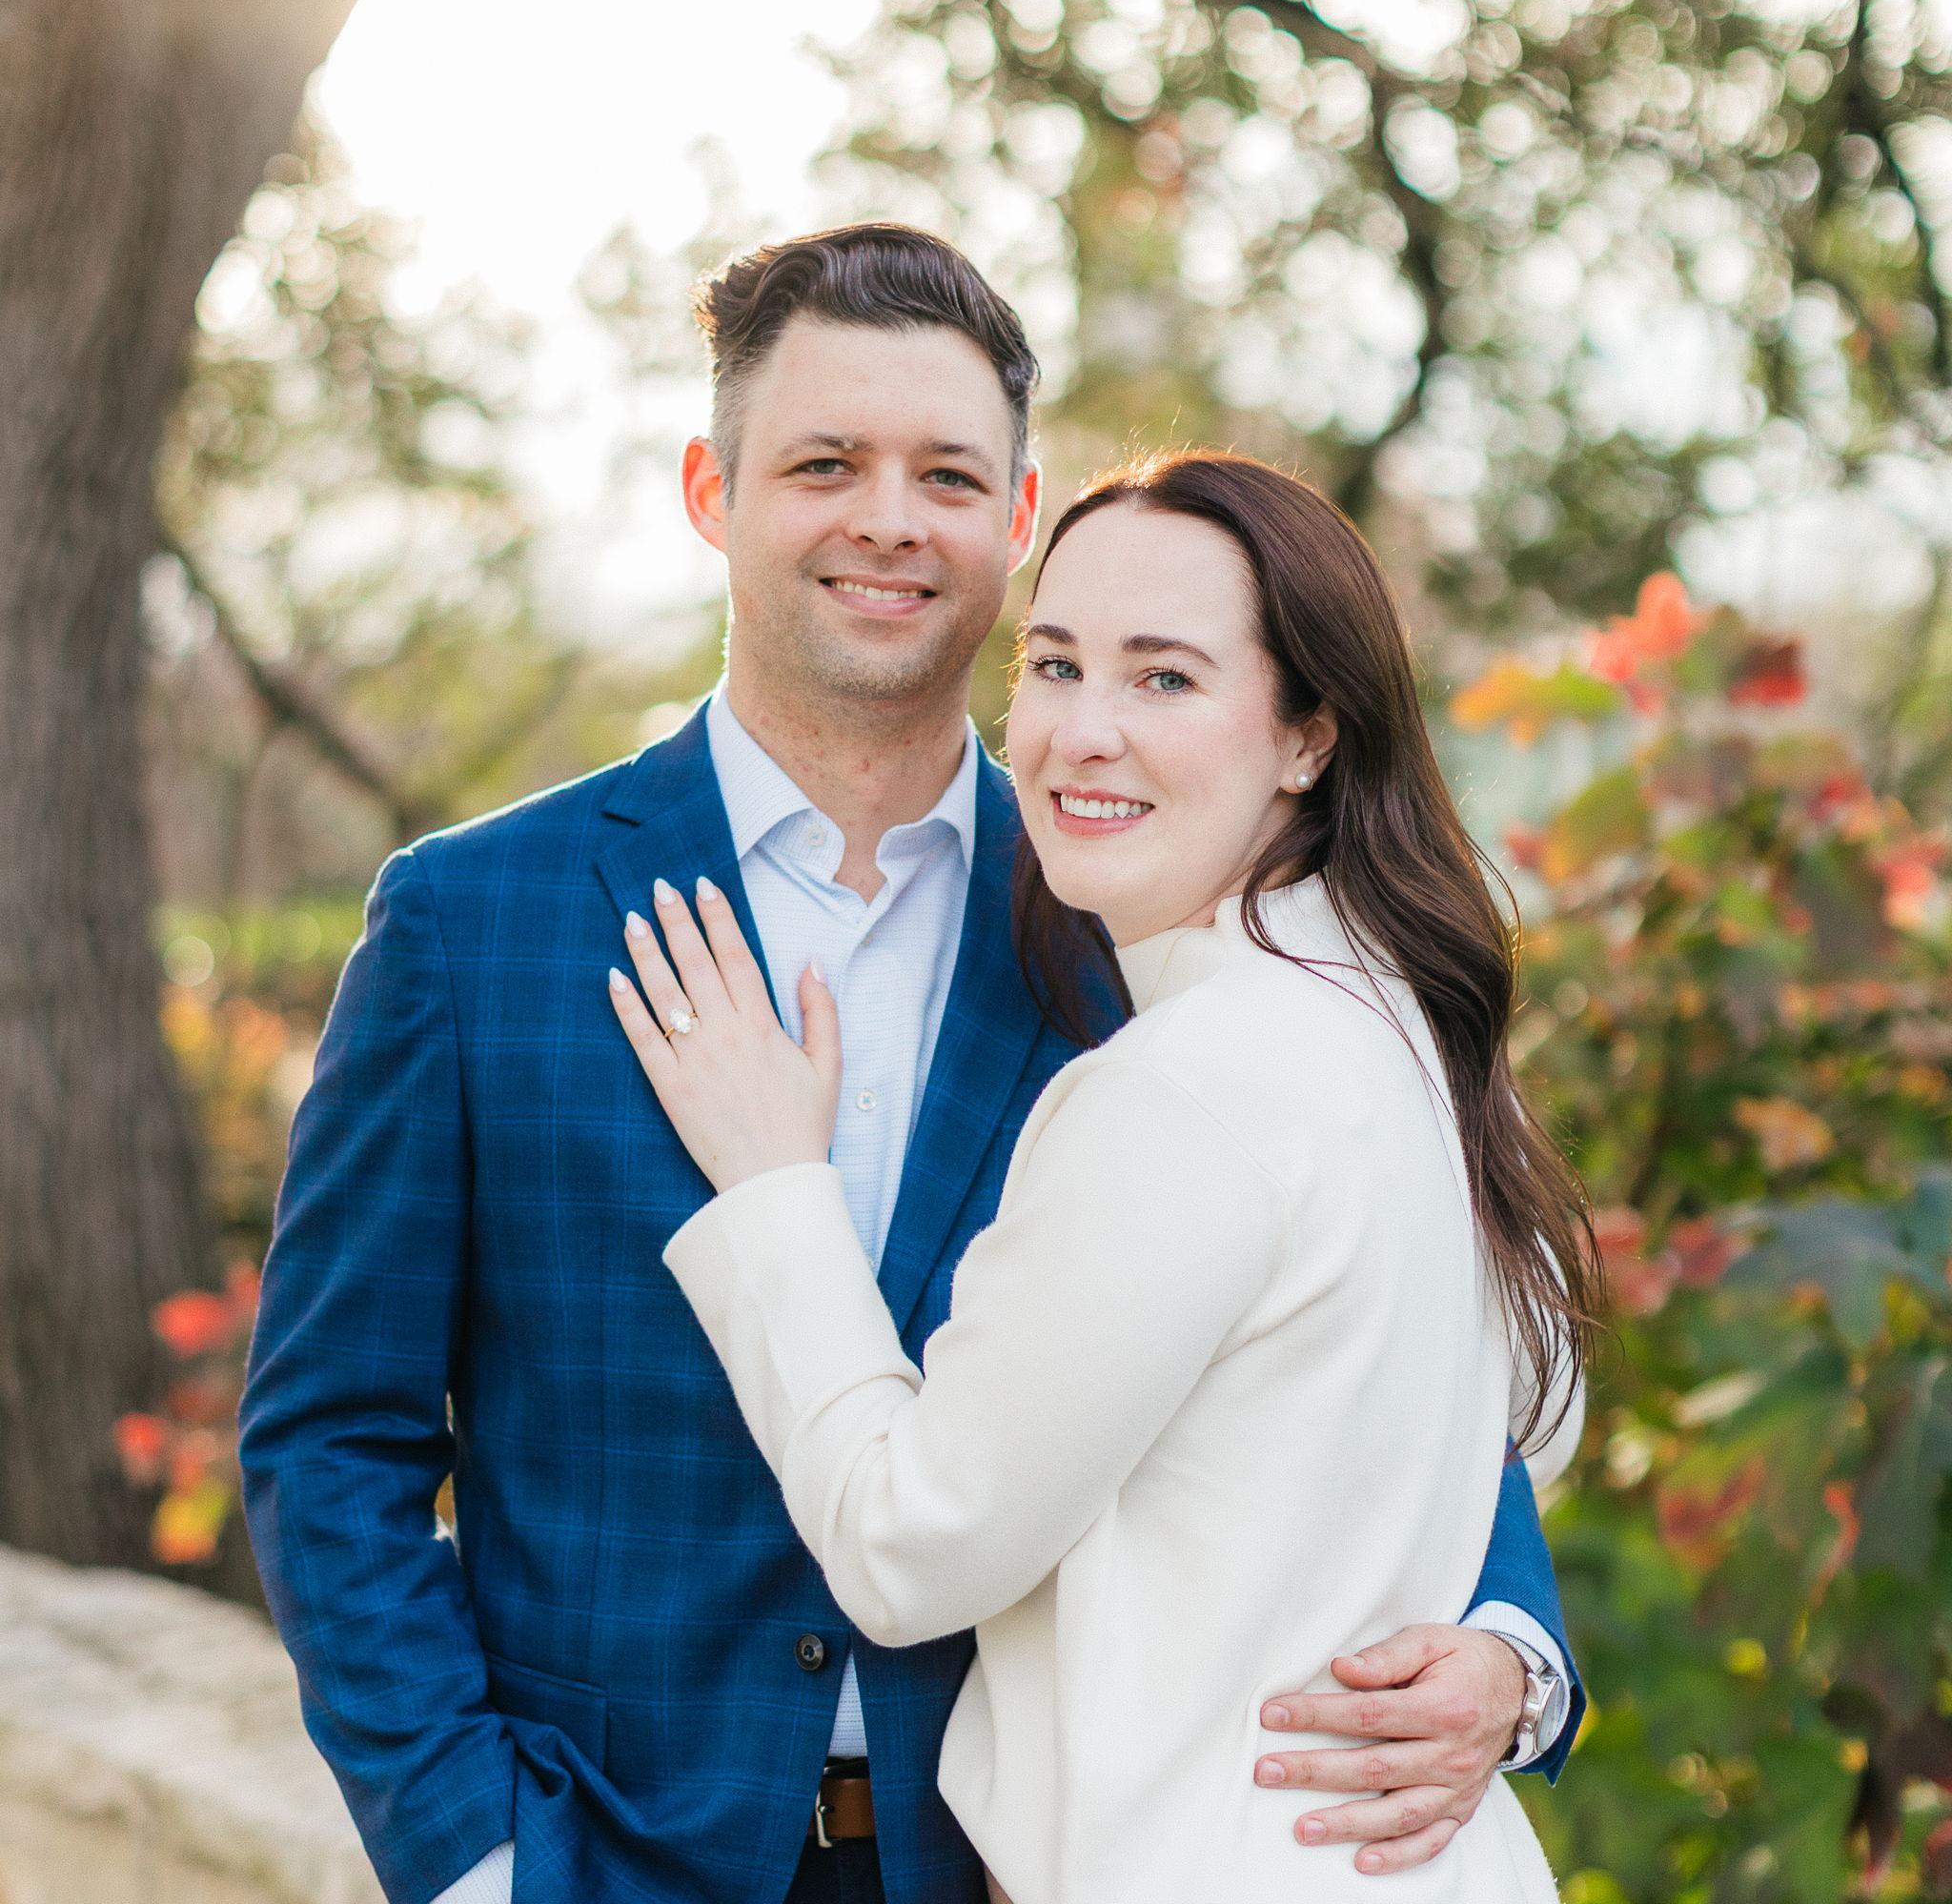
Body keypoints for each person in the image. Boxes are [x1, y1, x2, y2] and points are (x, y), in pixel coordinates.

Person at [240, 227, 1587, 1904]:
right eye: (826, 464)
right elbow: (332, 1437)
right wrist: (475, 1856)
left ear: (1017, 520)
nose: (890, 518)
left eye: (948, 474)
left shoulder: (1144, 916)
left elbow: (1399, 1342)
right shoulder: (476, 922)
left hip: (1007, 1870)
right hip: (608, 1856)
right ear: (713, 492)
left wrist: (1511, 1651)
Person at [607, 446, 1602, 1901]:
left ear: (1309, 738)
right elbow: (1538, 1418)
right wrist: (1495, 1646)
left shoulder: (1192, 1081)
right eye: (1056, 665)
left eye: (1165, 678)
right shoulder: (1407, 1024)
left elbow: (908, 1551)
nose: (1082, 732)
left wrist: (771, 1189)